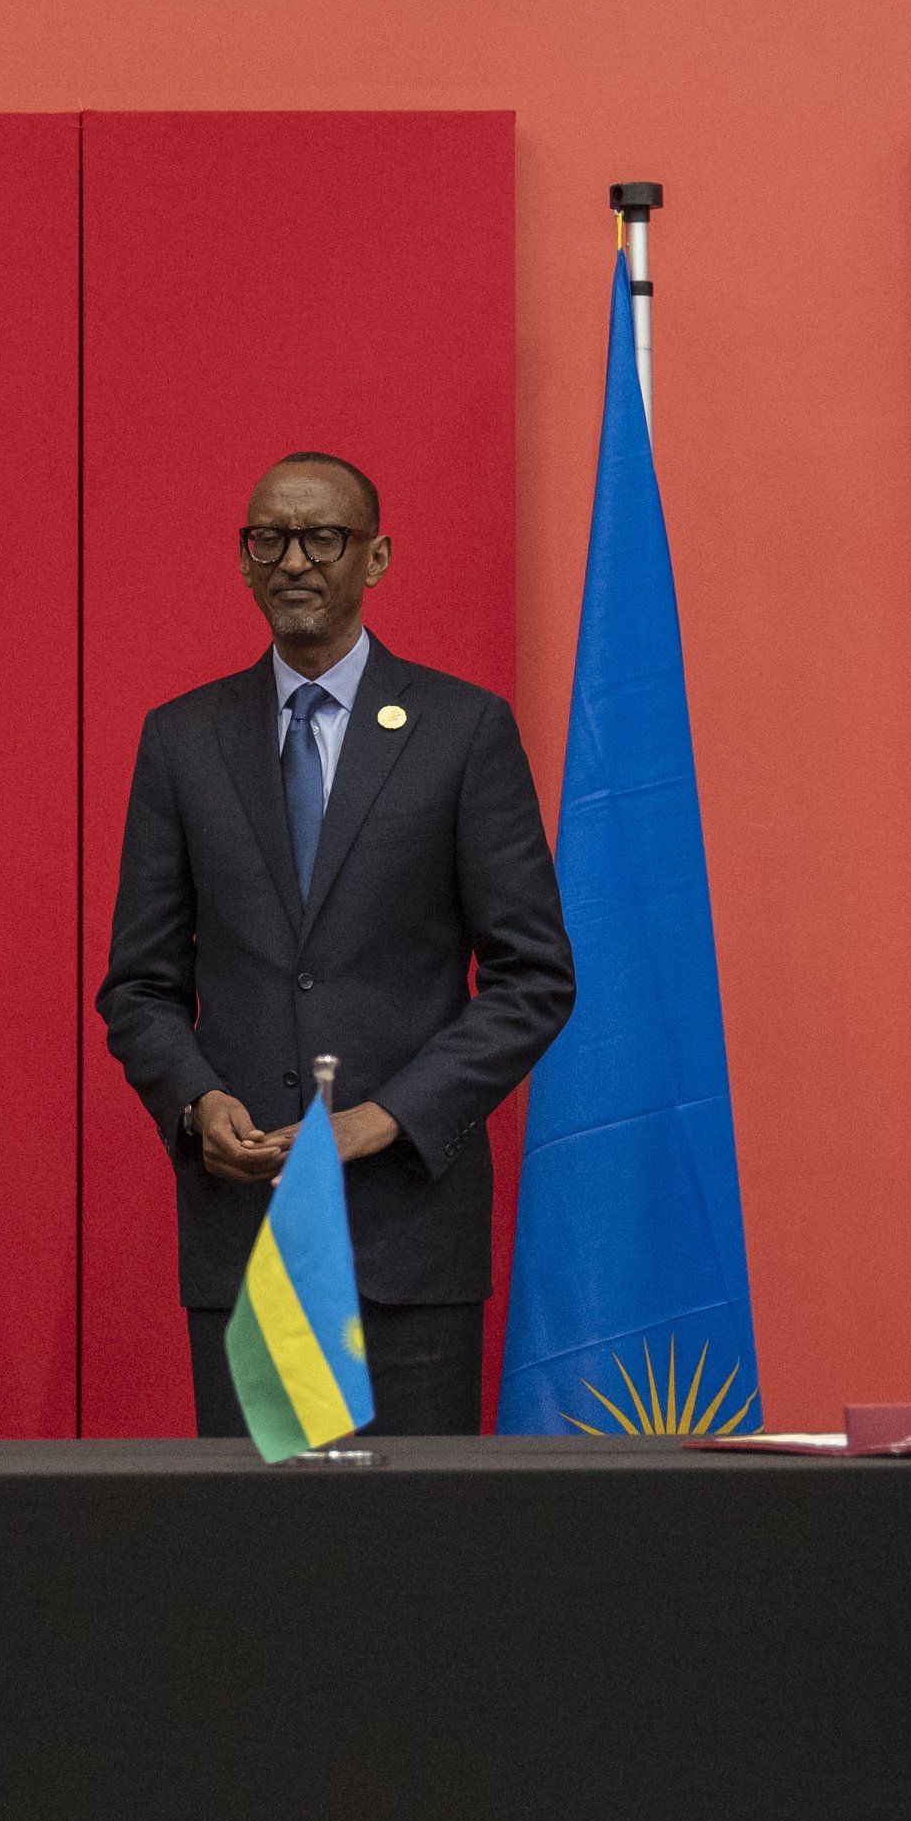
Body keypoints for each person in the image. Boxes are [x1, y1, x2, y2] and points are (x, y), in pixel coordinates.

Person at [96, 451, 574, 1436]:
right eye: (267, 538)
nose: (293, 561)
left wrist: (388, 1116)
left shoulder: (462, 730)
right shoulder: (183, 738)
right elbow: (138, 984)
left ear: (378, 556)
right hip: (244, 1227)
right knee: (255, 1561)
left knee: (407, 1562)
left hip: (405, 1230)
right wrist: (196, 1101)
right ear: (243, 558)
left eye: (323, 538)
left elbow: (533, 977)